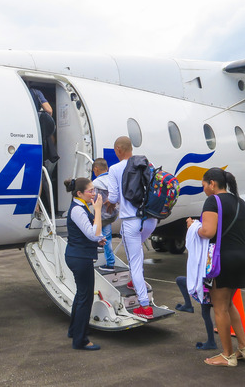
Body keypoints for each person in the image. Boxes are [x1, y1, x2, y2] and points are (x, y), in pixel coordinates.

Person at [186, 167, 245, 367]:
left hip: (224, 260)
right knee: (229, 303)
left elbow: (207, 231)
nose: (204, 189)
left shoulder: (213, 201)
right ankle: (244, 348)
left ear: (212, 184)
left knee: (220, 308)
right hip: (244, 258)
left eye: (204, 185)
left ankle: (227, 355)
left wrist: (193, 227)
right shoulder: (241, 202)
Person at [107, 136, 154, 319]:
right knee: (138, 253)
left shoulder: (115, 169)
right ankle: (136, 281)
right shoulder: (145, 164)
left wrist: (109, 204)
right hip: (150, 220)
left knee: (134, 260)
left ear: (119, 149)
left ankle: (144, 306)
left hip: (131, 221)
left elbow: (112, 198)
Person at [63, 177, 105, 350]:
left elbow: (90, 235)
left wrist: (96, 242)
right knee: (85, 298)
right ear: (79, 193)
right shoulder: (78, 210)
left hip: (79, 255)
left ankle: (75, 330)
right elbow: (93, 234)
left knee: (82, 295)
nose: (93, 193)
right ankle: (80, 340)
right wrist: (98, 211)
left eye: (94, 190)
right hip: (80, 258)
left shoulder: (80, 206)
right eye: (90, 191)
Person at [175, 275, 217, 350]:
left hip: (206, 285)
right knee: (207, 313)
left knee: (180, 280)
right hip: (213, 285)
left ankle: (211, 342)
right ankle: (211, 341)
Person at [92, 158, 118, 272]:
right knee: (107, 238)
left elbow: (94, 199)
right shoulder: (112, 180)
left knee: (97, 235)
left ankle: (109, 263)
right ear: (107, 168)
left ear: (96, 169)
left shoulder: (96, 183)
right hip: (112, 215)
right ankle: (110, 262)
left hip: (101, 216)